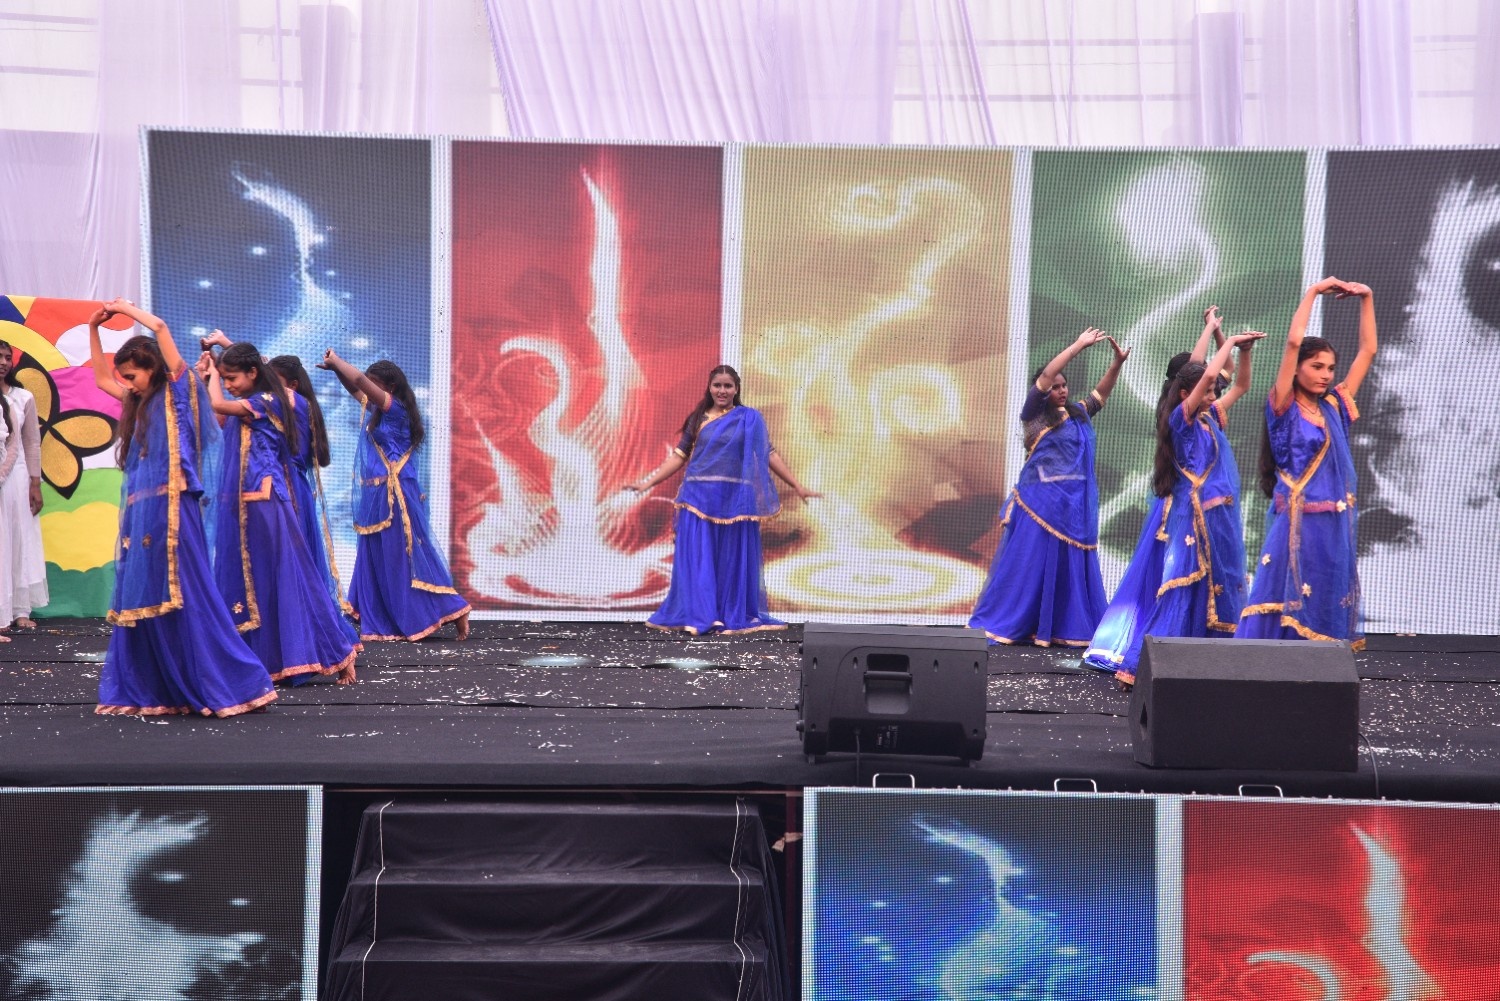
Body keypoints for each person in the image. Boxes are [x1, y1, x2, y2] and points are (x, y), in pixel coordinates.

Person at [86, 299, 276, 717]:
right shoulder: (137, 401)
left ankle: (232, 681)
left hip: (175, 505)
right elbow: (100, 379)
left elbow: (158, 326)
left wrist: (126, 310)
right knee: (144, 596)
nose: (129, 384)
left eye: (132, 375)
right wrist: (93, 329)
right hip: (141, 508)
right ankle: (158, 687)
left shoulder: (177, 390)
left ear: (152, 367)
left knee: (190, 593)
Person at [1083, 307, 1259, 680]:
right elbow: (1205, 373)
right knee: (1182, 585)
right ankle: (1152, 664)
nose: (1214, 392)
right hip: (1190, 517)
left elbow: (1240, 385)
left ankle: (1208, 661)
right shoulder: (1182, 420)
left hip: (1218, 518)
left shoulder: (1211, 417)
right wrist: (1223, 337)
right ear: (1185, 392)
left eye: (1212, 391)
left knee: (1215, 587)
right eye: (1207, 390)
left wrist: (1241, 351)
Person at [199, 341, 359, 684]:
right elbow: (217, 416)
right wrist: (213, 369)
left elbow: (217, 404)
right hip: (247, 501)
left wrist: (212, 370)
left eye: (232, 378)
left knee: (291, 574)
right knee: (259, 580)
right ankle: (263, 658)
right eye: (224, 379)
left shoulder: (268, 400)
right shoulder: (257, 401)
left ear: (253, 372)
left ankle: (337, 651)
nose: (227, 384)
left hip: (266, 499)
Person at [628, 365, 818, 634]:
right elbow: (679, 456)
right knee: (700, 561)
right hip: (697, 500)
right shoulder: (698, 418)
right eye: (717, 385)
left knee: (729, 562)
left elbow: (768, 454)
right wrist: (647, 483)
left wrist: (796, 485)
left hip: (734, 503)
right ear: (709, 387)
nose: (722, 390)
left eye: (728, 386)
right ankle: (702, 616)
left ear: (736, 389)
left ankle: (725, 614)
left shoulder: (749, 418)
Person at [1238, 278, 1376, 648]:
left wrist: (1366, 297)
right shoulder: (1284, 406)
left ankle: (1315, 672)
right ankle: (1262, 666)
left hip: (1331, 523)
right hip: (1295, 523)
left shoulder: (1335, 406)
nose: (1326, 375)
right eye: (1317, 366)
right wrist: (1314, 292)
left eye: (1330, 368)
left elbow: (1368, 350)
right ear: (1297, 368)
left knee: (1324, 600)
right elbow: (1293, 342)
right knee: (1279, 596)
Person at [969, 328, 1129, 646]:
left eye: (1064, 385)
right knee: (1030, 568)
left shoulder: (1076, 414)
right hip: (1039, 506)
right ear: (1043, 391)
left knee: (1066, 572)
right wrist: (1078, 346)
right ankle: (1017, 623)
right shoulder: (1034, 417)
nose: (1061, 390)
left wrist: (1117, 364)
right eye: (1055, 387)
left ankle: (1060, 628)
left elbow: (1100, 395)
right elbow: (1045, 376)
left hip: (1072, 508)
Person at [319, 349, 471, 642]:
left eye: (375, 385)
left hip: (396, 492)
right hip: (376, 494)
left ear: (389, 387)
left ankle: (453, 609)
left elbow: (359, 381)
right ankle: (385, 616)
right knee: (376, 555)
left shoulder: (395, 409)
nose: (369, 389)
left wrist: (338, 361)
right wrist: (336, 371)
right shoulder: (378, 412)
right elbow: (356, 388)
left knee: (400, 556)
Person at [0, 340, 48, 633]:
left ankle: (19, 609)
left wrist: (35, 483)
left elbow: (31, 442)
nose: (3, 362)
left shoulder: (23, 397)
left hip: (16, 477)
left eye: (8, 357)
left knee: (19, 538)